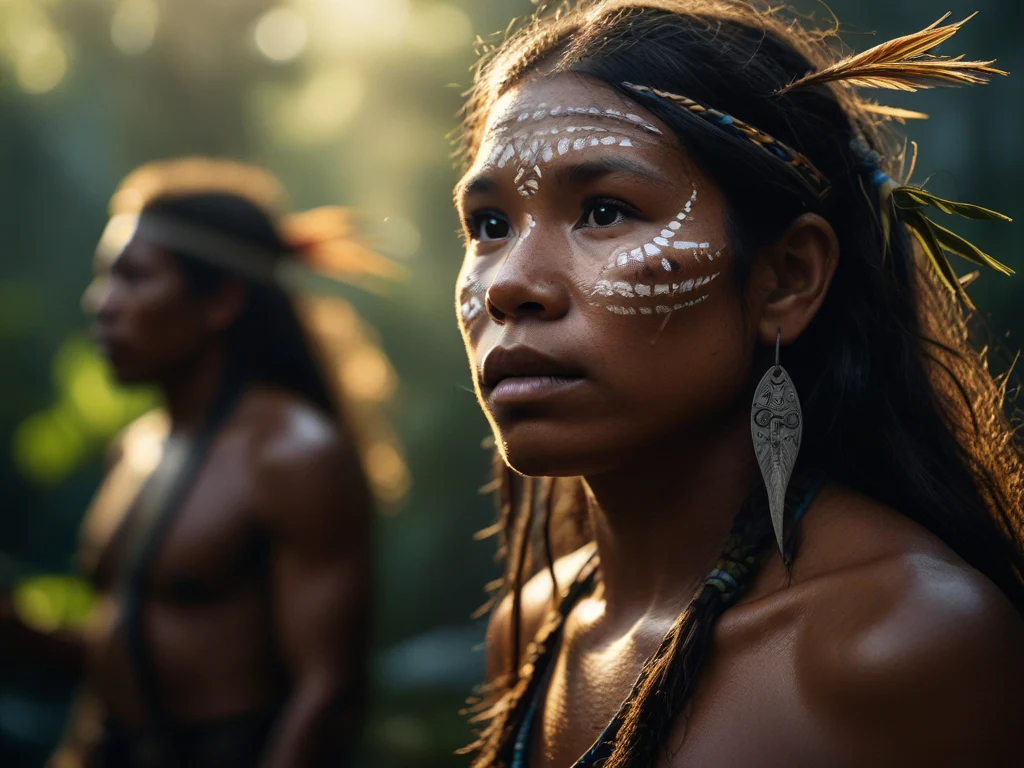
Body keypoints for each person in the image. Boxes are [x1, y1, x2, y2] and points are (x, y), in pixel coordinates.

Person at [451, 2, 1024, 766]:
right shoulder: (531, 630)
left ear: (787, 279)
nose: (511, 285)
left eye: (604, 211)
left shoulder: (902, 641)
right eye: (490, 225)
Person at [5, 158, 404, 767]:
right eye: (103, 278)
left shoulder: (293, 454)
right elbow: (134, 651)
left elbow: (329, 696)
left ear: (220, 301)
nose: (100, 303)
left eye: (133, 278)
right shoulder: (137, 446)